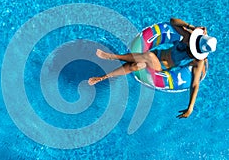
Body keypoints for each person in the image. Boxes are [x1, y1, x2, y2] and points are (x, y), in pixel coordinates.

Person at [88, 18, 217, 118]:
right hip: (156, 55)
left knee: (148, 56)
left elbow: (195, 84)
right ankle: (103, 77)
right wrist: (191, 27)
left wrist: (190, 108)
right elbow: (173, 21)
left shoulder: (198, 61)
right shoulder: (189, 37)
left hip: (160, 67)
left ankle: (113, 56)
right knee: (136, 66)